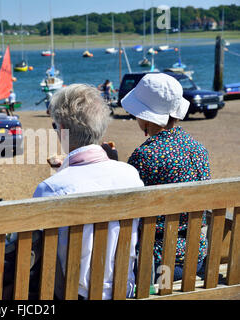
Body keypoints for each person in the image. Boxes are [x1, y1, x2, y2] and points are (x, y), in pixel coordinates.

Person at [33, 84, 144, 300]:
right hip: (126, 290)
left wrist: (64, 174)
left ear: (62, 129)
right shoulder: (130, 175)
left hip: (75, 294)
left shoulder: (51, 189)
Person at [121, 73, 210, 282]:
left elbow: (126, 209)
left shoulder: (144, 156)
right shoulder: (198, 149)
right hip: (196, 258)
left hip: (158, 265)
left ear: (145, 116)